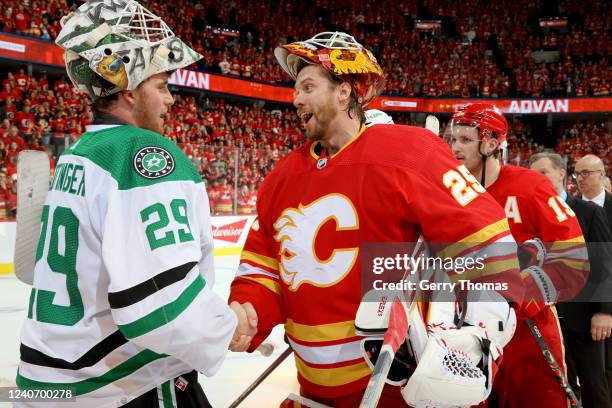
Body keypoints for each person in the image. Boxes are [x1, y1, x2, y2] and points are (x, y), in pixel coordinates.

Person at [229, 32, 525, 407]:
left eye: (307, 86)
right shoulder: (281, 177)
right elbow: (265, 265)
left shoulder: (410, 151)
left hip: (393, 381)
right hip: (313, 388)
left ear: (344, 91)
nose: (296, 99)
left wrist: (482, 329)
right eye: (295, 89)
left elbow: (481, 236)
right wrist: (247, 310)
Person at [16, 1, 255, 407]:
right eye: (161, 86)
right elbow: (157, 305)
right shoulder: (145, 155)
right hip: (118, 384)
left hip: (48, 382)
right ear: (128, 90)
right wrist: (226, 328)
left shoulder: (79, 153)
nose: (170, 100)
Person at [447, 103, 589, 407]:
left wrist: (518, 296)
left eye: (464, 140)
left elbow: (573, 258)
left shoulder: (530, 186)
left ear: (491, 143)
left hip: (528, 332)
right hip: (464, 335)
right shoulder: (446, 192)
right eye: (452, 139)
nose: (455, 147)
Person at [530, 152, 612, 408]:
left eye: (543, 172)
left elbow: (604, 266)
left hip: (584, 318)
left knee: (594, 386)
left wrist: (604, 311)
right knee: (551, 387)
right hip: (543, 317)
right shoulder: (531, 214)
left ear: (561, 174)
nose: (536, 178)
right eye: (532, 173)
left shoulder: (588, 212)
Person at [574, 154, 612, 399]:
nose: (580, 179)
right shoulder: (570, 210)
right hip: (586, 301)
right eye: (577, 174)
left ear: (601, 174)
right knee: (594, 369)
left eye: (586, 173)